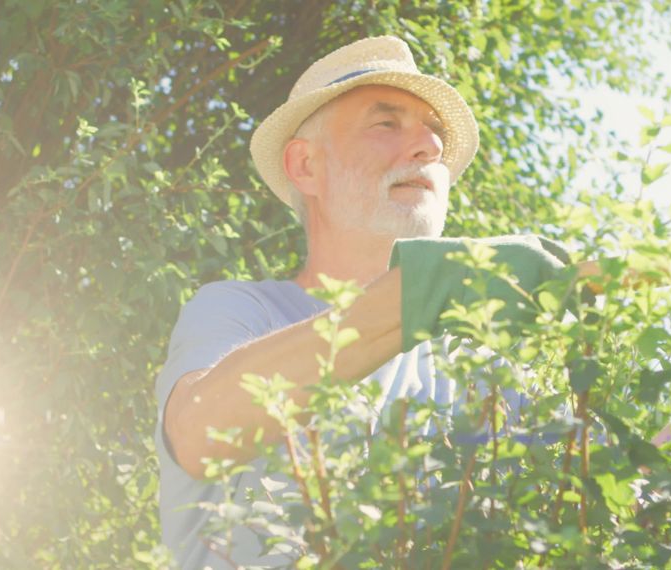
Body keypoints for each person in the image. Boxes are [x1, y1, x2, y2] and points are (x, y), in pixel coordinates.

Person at [154, 36, 572, 568]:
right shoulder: (238, 312)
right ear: (305, 165)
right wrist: (420, 291)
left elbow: (636, 475)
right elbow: (201, 433)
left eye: (436, 133)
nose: (430, 147)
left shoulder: (481, 372)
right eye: (386, 123)